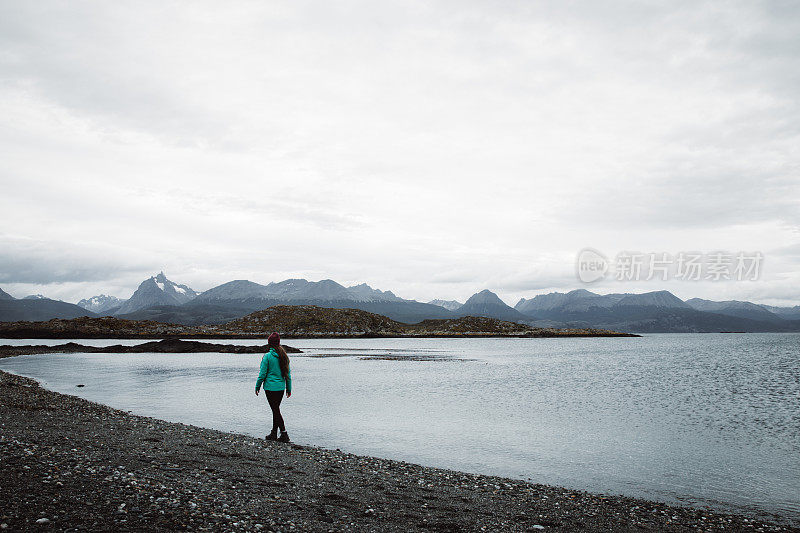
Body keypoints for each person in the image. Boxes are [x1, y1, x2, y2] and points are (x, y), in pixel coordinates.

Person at [255, 331, 292, 442]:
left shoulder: (267, 356)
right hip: (280, 388)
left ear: (269, 343)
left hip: (270, 388)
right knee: (275, 410)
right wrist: (289, 388)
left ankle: (284, 434)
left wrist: (257, 386)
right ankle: (274, 433)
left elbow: (262, 374)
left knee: (275, 410)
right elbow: (288, 375)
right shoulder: (284, 356)